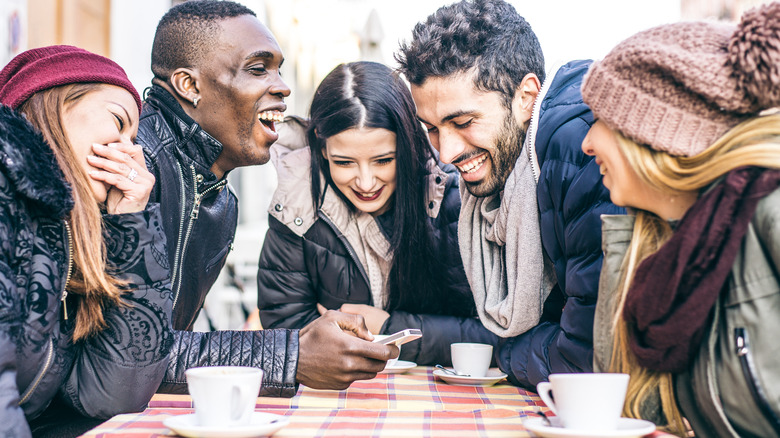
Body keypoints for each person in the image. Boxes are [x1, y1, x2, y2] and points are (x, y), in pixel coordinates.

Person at [138, 0, 396, 396]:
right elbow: (127, 355)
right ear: (189, 86)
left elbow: (158, 352)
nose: (283, 86)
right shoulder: (134, 165)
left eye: (277, 67)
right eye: (258, 69)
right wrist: (292, 356)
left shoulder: (217, 195)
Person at [396, 0, 622, 388]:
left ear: (526, 96)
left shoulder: (580, 156)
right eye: (431, 129)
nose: (446, 154)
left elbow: (589, 364)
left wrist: (505, 348)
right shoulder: (503, 178)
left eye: (463, 122)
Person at [581, 4, 780, 437]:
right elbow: (636, 414)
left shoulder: (769, 211)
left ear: (654, 135)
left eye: (600, 119)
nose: (586, 142)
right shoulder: (656, 246)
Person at [256, 61, 499, 366]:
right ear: (321, 147)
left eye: (383, 160)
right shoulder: (295, 207)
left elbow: (500, 333)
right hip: (335, 397)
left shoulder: (454, 196)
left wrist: (387, 328)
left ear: (408, 145)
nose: (366, 182)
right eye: (344, 162)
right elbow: (287, 337)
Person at [0, 46, 172, 437]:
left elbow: (115, 393)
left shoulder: (69, 231)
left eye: (135, 138)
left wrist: (133, 221)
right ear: (55, 102)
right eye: (118, 121)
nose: (130, 151)